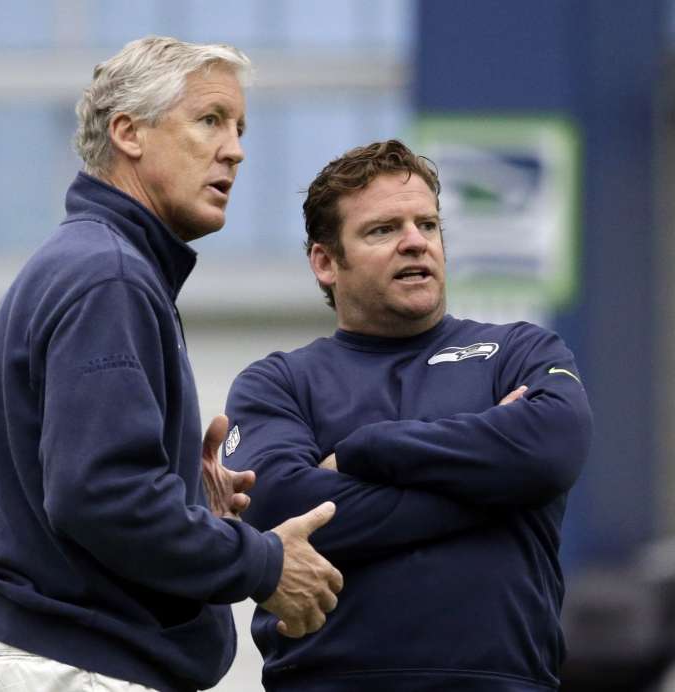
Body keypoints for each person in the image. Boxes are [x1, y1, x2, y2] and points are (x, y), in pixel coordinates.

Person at [0, 36, 343, 692]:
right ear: (129, 133)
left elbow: (87, 495)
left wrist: (188, 508)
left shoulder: (94, 263)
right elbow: (103, 497)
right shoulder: (110, 276)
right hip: (89, 667)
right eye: (210, 120)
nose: (236, 149)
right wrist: (264, 563)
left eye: (240, 127)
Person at [223, 139, 593, 692]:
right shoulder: (277, 383)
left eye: (428, 224)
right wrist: (496, 490)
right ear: (325, 262)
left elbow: (553, 448)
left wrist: (363, 451)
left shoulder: (519, 351)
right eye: (383, 230)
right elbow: (281, 507)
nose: (415, 242)